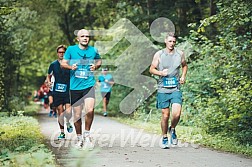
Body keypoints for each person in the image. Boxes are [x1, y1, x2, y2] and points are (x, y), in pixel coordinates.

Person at [61, 29, 101, 149]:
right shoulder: (71, 50)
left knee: (89, 110)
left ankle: (87, 135)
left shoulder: (93, 50)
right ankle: (79, 138)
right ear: (77, 38)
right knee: (77, 115)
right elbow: (63, 63)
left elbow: (99, 60)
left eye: (87, 36)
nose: (85, 38)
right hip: (75, 87)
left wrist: (96, 65)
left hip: (88, 85)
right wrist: (70, 67)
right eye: (82, 36)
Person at [149, 32, 188, 149]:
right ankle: (164, 137)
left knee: (176, 114)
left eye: (174, 42)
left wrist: (183, 76)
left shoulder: (179, 54)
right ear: (165, 41)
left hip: (175, 88)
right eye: (170, 41)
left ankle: (172, 129)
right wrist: (160, 73)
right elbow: (151, 69)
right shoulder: (159, 54)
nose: (172, 44)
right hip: (163, 88)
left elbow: (185, 66)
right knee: (165, 115)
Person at [46, 44, 73, 140]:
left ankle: (68, 122)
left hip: (68, 90)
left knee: (68, 112)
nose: (61, 54)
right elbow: (48, 75)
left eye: (63, 52)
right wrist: (49, 82)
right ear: (57, 53)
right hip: (57, 92)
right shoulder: (53, 64)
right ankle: (62, 132)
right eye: (60, 52)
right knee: (60, 112)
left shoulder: (70, 64)